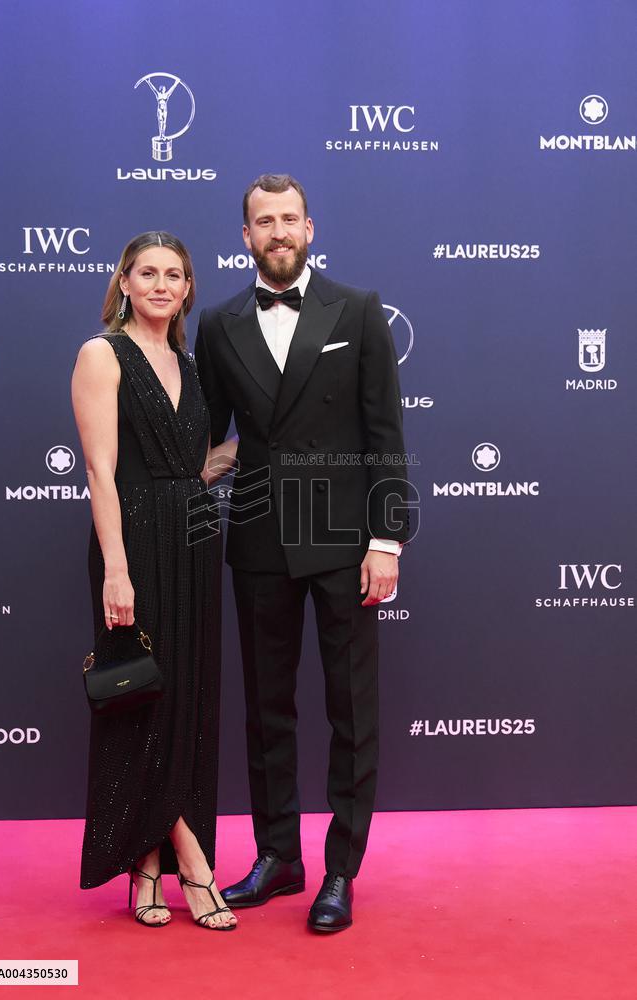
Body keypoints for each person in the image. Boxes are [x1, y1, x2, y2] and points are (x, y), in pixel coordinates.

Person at [195, 175, 410, 933]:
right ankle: (278, 856)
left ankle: (341, 871)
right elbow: (206, 437)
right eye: (263, 222)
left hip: (346, 542)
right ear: (246, 237)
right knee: (266, 711)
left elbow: (386, 435)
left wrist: (387, 539)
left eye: (289, 219)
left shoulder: (357, 309)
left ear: (310, 229)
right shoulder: (219, 324)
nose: (278, 231)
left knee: (352, 713)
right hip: (258, 538)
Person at [72, 232, 238, 930]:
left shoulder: (192, 366)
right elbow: (100, 471)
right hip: (134, 542)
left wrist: (242, 455)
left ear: (188, 287)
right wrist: (116, 567)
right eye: (149, 273)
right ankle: (194, 865)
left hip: (195, 538)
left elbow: (187, 464)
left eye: (176, 274)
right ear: (126, 282)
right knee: (146, 697)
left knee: (188, 700)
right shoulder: (102, 354)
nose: (163, 285)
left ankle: (147, 866)